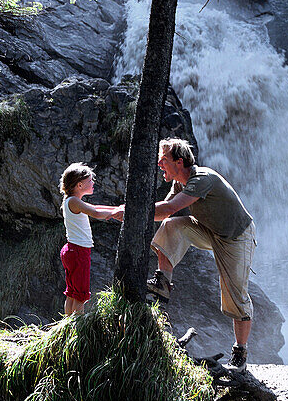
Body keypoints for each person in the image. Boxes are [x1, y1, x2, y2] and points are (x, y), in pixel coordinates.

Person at [147, 138, 256, 368]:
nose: (159, 163)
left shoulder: (201, 179)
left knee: (235, 293)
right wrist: (127, 211)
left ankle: (240, 353)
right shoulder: (180, 183)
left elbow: (167, 208)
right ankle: (163, 282)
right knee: (171, 226)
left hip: (236, 236)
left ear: (179, 161)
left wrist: (129, 210)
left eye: (163, 159)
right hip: (210, 230)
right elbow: (165, 214)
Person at [59, 163, 125, 315]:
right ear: (79, 184)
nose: (93, 183)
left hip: (71, 250)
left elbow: (95, 207)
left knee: (72, 293)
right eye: (90, 181)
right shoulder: (74, 202)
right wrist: (116, 213)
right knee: (80, 296)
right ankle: (78, 327)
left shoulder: (71, 200)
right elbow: (95, 212)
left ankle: (67, 325)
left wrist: (118, 209)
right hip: (79, 252)